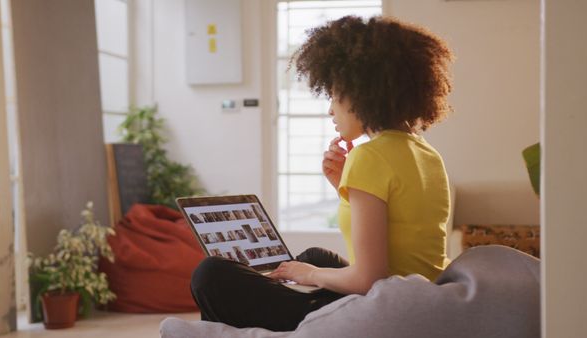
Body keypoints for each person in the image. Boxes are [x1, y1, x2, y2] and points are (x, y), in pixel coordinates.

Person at [190, 15, 453, 332]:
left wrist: (309, 275)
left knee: (211, 274)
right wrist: (345, 186)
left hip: (383, 311)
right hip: (421, 299)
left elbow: (369, 278)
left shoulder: (369, 156)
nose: (330, 109)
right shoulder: (426, 152)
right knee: (315, 255)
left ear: (361, 93)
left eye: (334, 94)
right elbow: (400, 228)